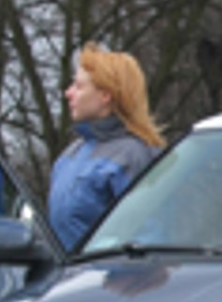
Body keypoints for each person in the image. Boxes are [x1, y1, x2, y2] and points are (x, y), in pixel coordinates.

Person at [48, 43, 165, 249]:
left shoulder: (135, 156)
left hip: (112, 278)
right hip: (71, 279)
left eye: (78, 86)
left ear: (105, 95)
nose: (68, 93)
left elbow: (148, 237)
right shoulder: (71, 154)